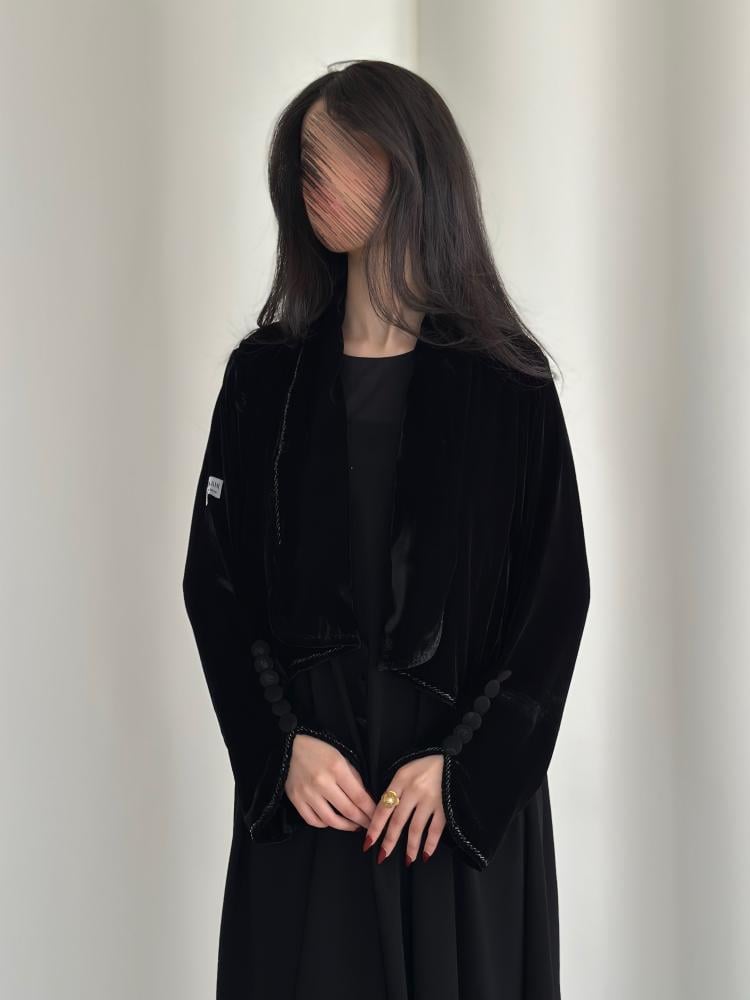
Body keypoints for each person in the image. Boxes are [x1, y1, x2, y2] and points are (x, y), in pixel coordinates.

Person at [182, 59, 590, 1000]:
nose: (313, 180)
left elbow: (554, 601)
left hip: (450, 815)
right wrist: (278, 751)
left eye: (339, 155)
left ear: (410, 164)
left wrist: (465, 775)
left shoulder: (509, 384)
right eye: (304, 162)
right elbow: (215, 585)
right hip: (315, 800)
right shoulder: (263, 380)